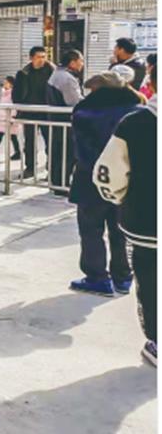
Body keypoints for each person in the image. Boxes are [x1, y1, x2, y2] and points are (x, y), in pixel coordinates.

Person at [94, 62, 157, 367]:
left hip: (147, 221)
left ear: (152, 84)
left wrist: (122, 201)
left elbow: (108, 174)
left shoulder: (135, 123)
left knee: (151, 282)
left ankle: (157, 341)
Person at [68, 70, 141, 298]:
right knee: (120, 230)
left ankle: (97, 278)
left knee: (91, 230)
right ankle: (123, 277)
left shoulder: (83, 114)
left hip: (91, 178)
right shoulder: (137, 111)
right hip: (126, 179)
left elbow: (79, 150)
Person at [13, 46, 56, 179]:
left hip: (47, 112)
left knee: (51, 141)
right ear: (31, 58)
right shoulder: (23, 73)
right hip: (30, 112)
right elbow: (16, 94)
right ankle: (30, 167)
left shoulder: (51, 71)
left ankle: (52, 168)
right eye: (38, 57)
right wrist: (20, 107)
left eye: (44, 57)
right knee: (29, 141)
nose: (41, 60)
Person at [45, 49, 84, 194]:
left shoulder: (58, 74)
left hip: (57, 121)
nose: (82, 64)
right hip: (65, 122)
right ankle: (61, 186)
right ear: (72, 63)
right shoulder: (66, 78)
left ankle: (57, 184)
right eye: (80, 61)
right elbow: (75, 102)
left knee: (59, 154)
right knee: (66, 154)